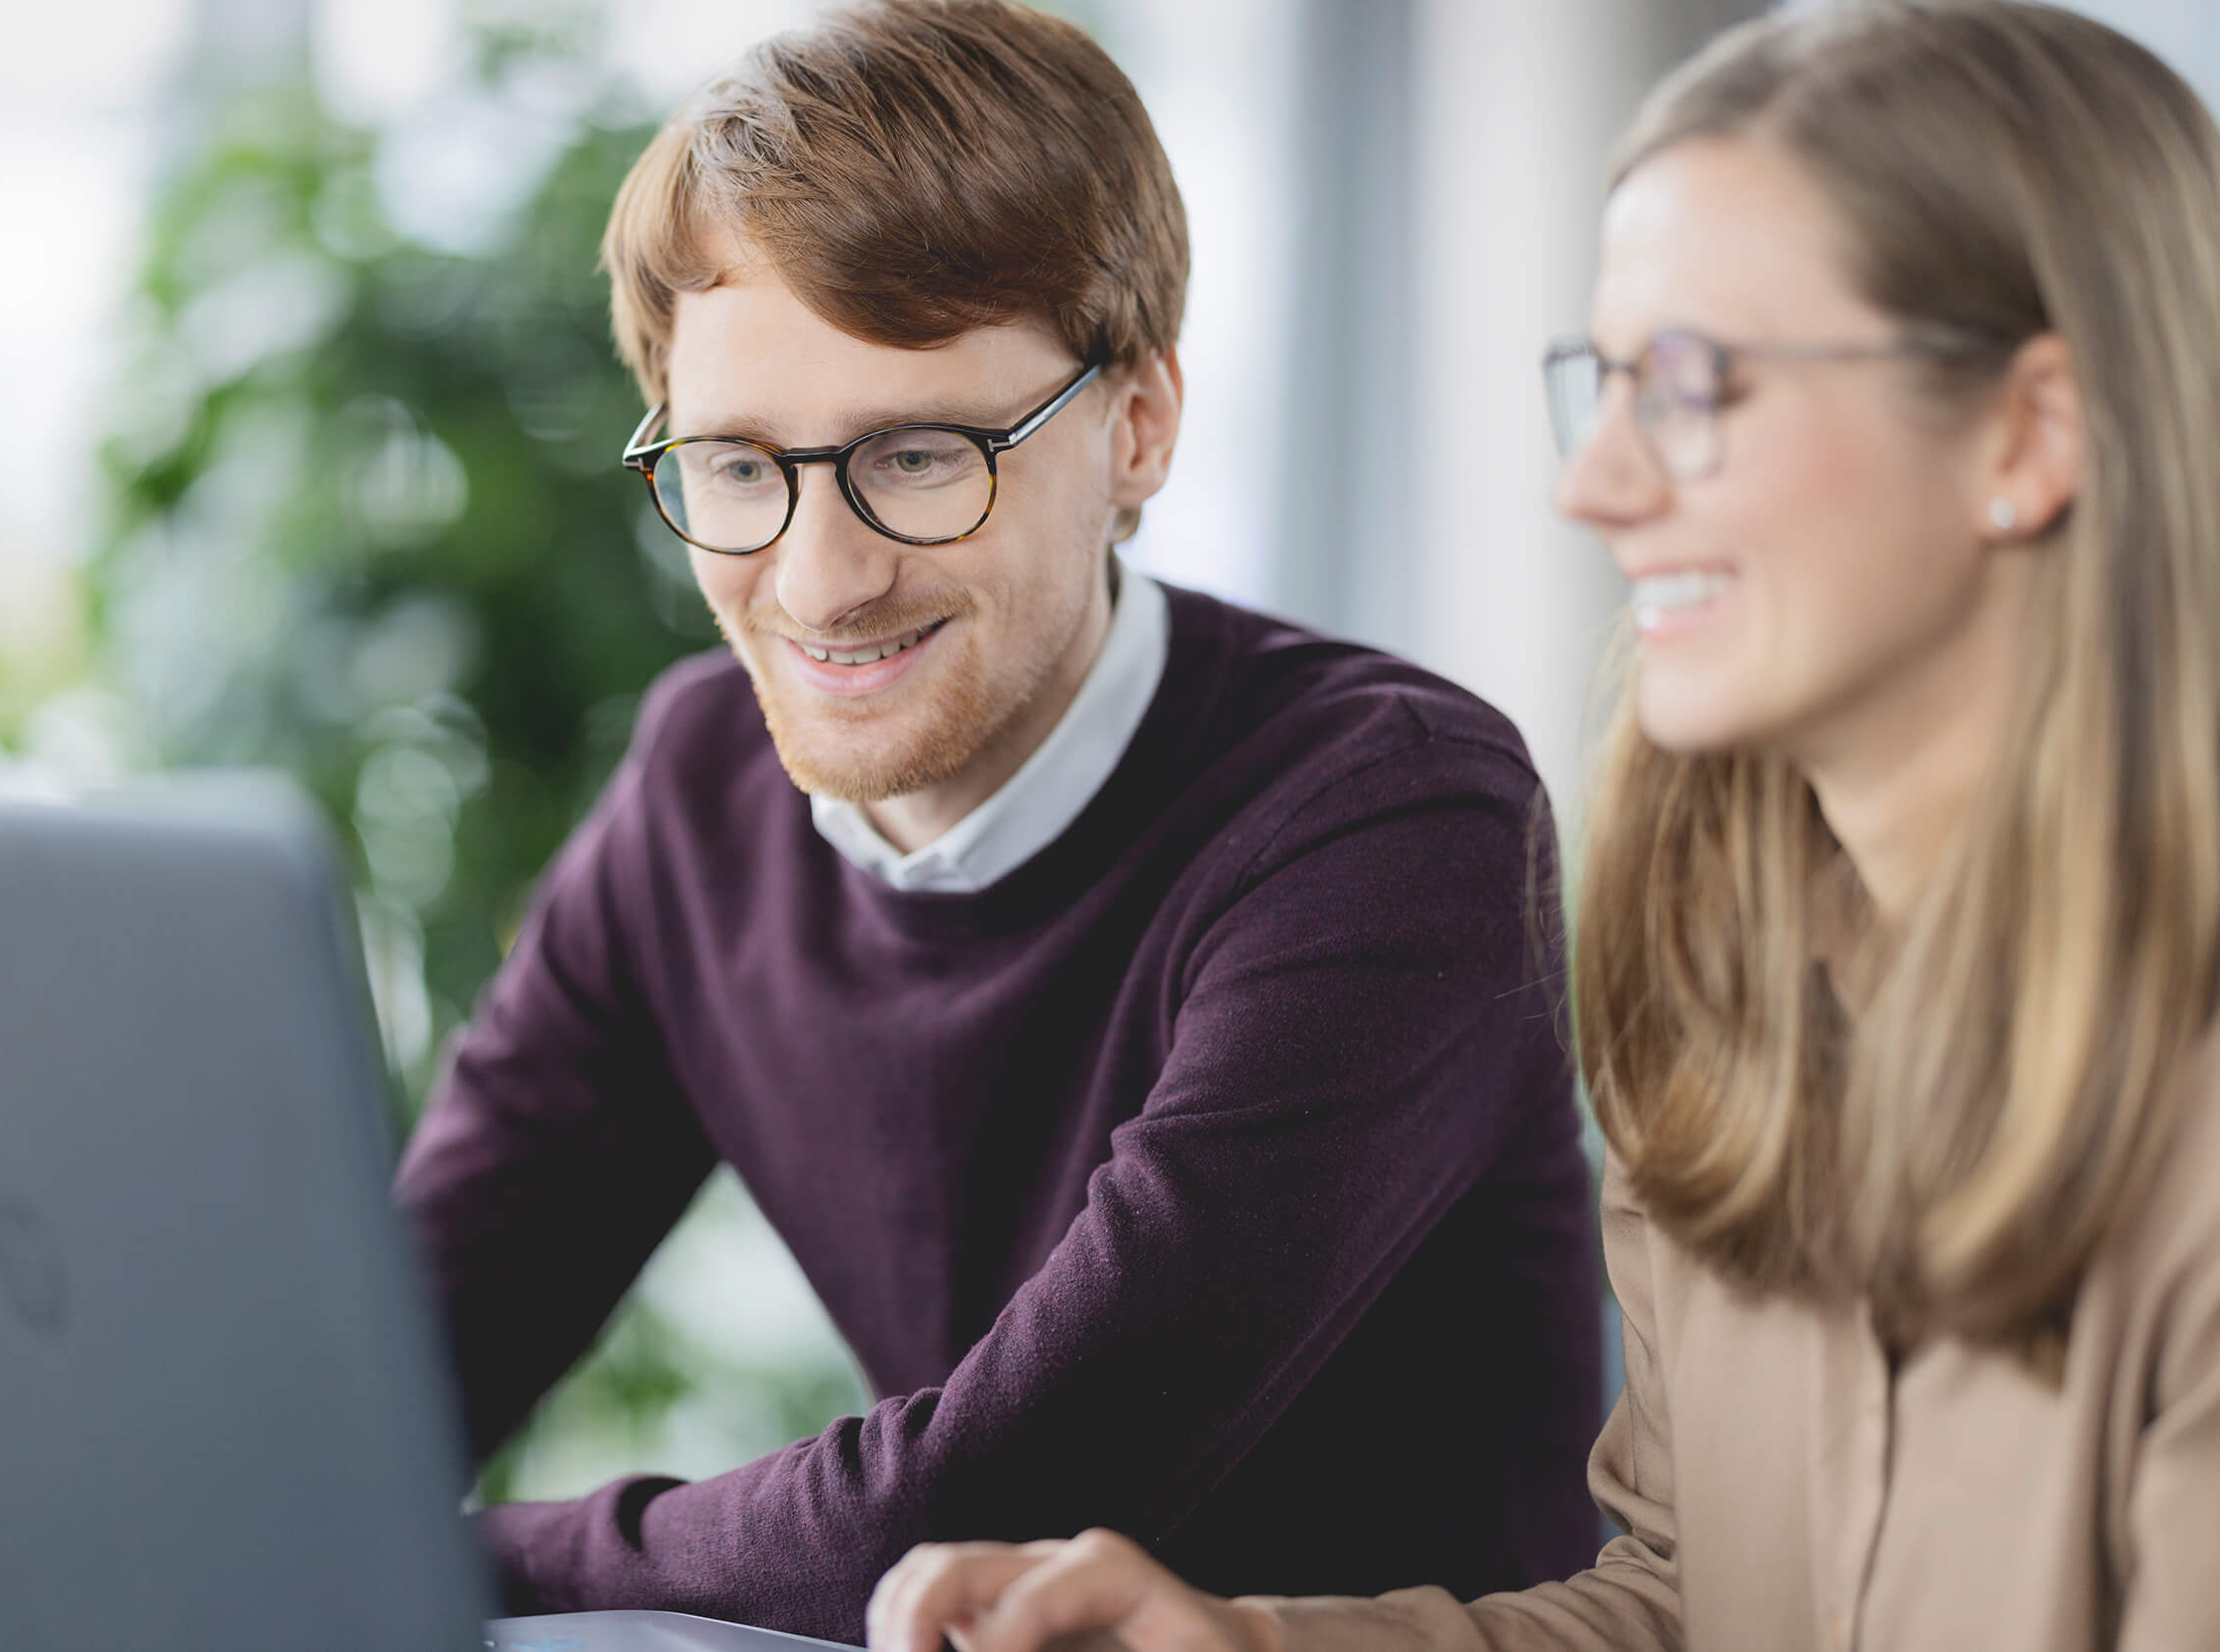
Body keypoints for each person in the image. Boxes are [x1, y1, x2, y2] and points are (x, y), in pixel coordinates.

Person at [864, 4, 2220, 1649]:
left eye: (1702, 384)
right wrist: (1248, 1649)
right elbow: (1702, 1606)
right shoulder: (1728, 1021)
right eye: (1611, 384)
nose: (1595, 484)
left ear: (2028, 433)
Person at [392, 0, 1603, 1639]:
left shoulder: (1390, 816)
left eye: (920, 453)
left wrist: (419, 1553)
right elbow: (387, 1367)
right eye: (740, 466)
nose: (821, 578)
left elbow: (967, 1511)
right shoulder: (701, 790)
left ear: (1138, 429)